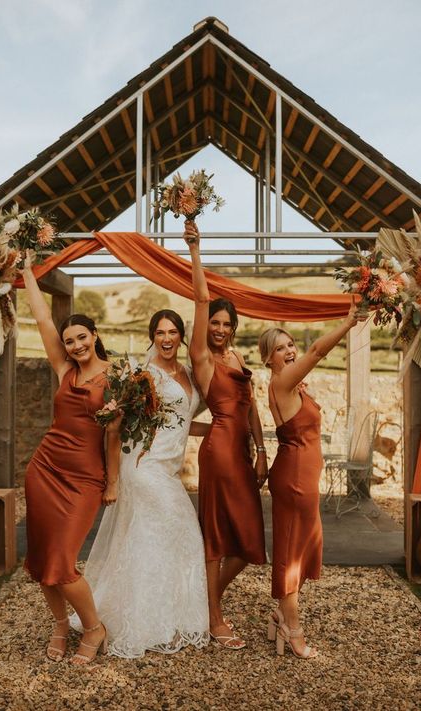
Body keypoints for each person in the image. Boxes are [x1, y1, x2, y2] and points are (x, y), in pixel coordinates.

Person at [71, 309, 210, 658]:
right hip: (143, 467)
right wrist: (113, 481)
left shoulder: (190, 374)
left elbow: (178, 423)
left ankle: (162, 616)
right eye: (160, 332)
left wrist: (220, 431)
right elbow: (116, 428)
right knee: (181, 532)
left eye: (173, 332)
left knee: (153, 540)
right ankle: (141, 623)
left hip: (168, 469)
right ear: (152, 336)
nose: (166, 338)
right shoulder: (142, 375)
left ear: (181, 336)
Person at [22, 253, 119, 665]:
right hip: (44, 469)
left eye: (82, 337)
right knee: (42, 559)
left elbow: (114, 435)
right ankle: (61, 624)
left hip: (84, 479)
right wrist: (27, 271)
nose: (76, 345)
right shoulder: (64, 370)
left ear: (95, 335)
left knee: (62, 562)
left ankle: (93, 627)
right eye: (69, 340)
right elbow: (44, 319)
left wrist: (112, 482)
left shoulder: (117, 377)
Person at [258, 303, 366, 659]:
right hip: (294, 478)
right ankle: (293, 629)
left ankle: (280, 613)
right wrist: (349, 321)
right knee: (291, 553)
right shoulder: (283, 381)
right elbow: (319, 350)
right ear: (269, 359)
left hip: (304, 476)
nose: (290, 351)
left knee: (306, 548)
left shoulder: (293, 384)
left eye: (291, 345)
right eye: (280, 348)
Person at [184, 220, 267, 650]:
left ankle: (205, 599)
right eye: (213, 322)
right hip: (217, 452)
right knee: (217, 536)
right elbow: (199, 297)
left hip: (244, 451)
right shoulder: (201, 358)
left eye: (224, 324)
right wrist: (196, 249)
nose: (218, 329)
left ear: (233, 328)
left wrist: (262, 450)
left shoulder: (236, 355)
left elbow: (251, 404)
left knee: (251, 540)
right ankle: (214, 617)